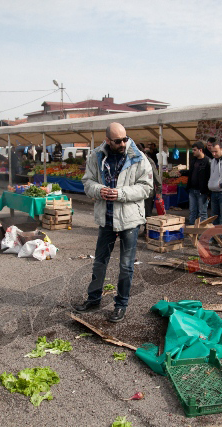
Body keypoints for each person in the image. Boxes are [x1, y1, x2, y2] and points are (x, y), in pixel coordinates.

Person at [74, 122, 153, 323]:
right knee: (100, 261)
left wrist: (121, 193)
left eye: (125, 139)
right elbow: (87, 182)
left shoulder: (138, 157)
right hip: (106, 218)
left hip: (130, 219)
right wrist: (99, 190)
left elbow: (146, 188)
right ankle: (93, 299)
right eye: (117, 141)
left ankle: (121, 304)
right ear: (107, 140)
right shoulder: (96, 156)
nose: (123, 143)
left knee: (126, 265)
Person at [186, 141, 211, 224]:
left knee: (202, 212)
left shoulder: (207, 161)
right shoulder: (194, 161)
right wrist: (183, 172)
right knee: (192, 211)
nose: (193, 152)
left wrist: (208, 192)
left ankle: (202, 232)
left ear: (200, 150)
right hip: (192, 190)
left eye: (194, 150)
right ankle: (192, 230)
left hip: (202, 191)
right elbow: (191, 172)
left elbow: (209, 176)